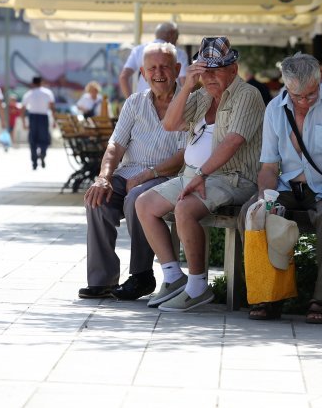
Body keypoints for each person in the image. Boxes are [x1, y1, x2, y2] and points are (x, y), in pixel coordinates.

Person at [136, 37, 265, 312]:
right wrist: (186, 87)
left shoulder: (247, 95)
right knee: (144, 204)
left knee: (185, 208)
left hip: (233, 177)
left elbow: (233, 141)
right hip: (195, 175)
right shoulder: (203, 93)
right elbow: (170, 125)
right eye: (203, 71)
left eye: (215, 70)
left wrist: (202, 175)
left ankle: (198, 287)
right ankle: (173, 277)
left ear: (233, 69)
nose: (209, 77)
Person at [238, 53, 322, 323]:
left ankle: (321, 299)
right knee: (252, 213)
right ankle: (267, 295)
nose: (305, 102)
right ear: (286, 86)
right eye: (297, 96)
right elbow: (270, 167)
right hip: (290, 185)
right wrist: (264, 200)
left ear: (320, 80)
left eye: (310, 94)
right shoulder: (275, 109)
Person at [79, 42, 187, 300]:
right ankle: (102, 280)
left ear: (177, 69)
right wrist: (103, 177)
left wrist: (148, 174)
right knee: (96, 200)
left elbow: (184, 155)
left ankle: (142, 275)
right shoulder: (134, 103)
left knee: (136, 198)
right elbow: (115, 145)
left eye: (164, 66)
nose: (158, 73)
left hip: (168, 177)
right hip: (128, 174)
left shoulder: (190, 102)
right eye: (152, 68)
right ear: (142, 72)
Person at [119, 22, 189, 98]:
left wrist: (131, 102)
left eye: (165, 67)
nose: (158, 73)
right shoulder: (179, 53)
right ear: (171, 35)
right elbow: (184, 83)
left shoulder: (139, 50)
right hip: (171, 103)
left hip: (142, 103)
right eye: (177, 37)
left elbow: (123, 77)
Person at [21, 76, 56, 170]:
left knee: (33, 140)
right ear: (41, 82)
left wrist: (23, 122)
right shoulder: (47, 93)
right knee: (44, 139)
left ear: (32, 83)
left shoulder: (29, 94)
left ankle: (34, 162)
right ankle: (43, 153)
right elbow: (52, 107)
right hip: (43, 117)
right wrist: (54, 120)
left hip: (33, 117)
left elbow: (23, 109)